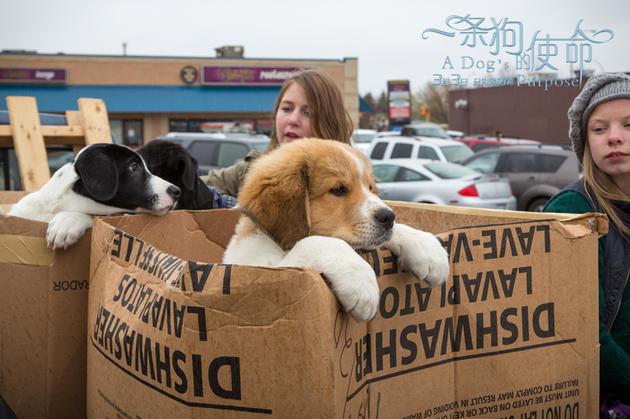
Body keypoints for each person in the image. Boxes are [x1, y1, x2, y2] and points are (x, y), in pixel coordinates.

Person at [543, 73, 630, 411]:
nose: (614, 138)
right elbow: (581, 330)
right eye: (599, 129)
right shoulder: (572, 209)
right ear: (585, 142)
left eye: (628, 124)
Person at [204, 70, 354, 197]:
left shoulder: (355, 184)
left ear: (329, 122)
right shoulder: (249, 172)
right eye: (287, 109)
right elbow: (192, 188)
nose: (293, 120)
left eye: (308, 113)